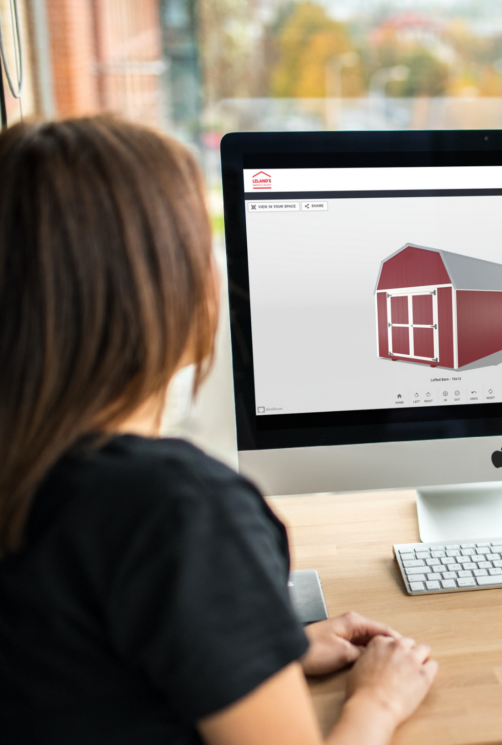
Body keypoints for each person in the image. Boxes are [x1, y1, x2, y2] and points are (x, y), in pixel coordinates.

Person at [0, 116, 437, 745]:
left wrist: (257, 649)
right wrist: (377, 701)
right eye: (201, 247)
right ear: (158, 288)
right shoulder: (175, 510)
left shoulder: (34, 477)